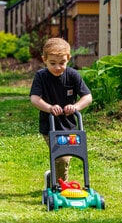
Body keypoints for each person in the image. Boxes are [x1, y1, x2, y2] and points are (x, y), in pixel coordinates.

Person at [30, 37, 93, 182]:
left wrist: (75, 106)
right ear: (44, 59)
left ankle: (54, 179)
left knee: (65, 158)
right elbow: (35, 99)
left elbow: (87, 97)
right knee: (62, 158)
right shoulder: (41, 76)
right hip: (50, 126)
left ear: (68, 59)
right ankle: (60, 186)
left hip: (69, 126)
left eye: (62, 63)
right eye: (52, 63)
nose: (58, 67)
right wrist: (50, 108)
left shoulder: (72, 75)